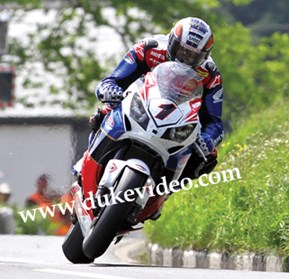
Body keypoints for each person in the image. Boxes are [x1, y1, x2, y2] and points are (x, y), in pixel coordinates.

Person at [92, 17, 223, 179]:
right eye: (180, 50)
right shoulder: (148, 48)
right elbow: (112, 80)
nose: (184, 58)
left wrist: (208, 139)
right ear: (171, 41)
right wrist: (109, 90)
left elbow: (215, 122)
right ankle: (87, 163)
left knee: (207, 157)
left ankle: (163, 191)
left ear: (203, 57)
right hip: (138, 108)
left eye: (192, 56)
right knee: (104, 112)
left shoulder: (210, 74)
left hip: (176, 126)